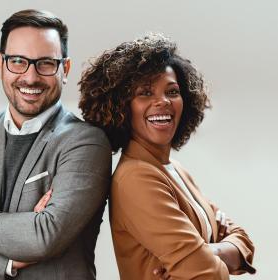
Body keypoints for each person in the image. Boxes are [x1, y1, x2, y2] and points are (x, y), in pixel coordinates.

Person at [0, 9, 111, 280]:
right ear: (0, 64)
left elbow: (43, 236)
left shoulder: (87, 142)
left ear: (65, 69)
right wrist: (2, 265)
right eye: (18, 61)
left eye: (46, 63)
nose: (30, 77)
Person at [79, 33, 256, 279]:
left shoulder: (174, 168)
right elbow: (208, 274)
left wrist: (208, 251)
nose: (162, 102)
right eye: (145, 93)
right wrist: (215, 254)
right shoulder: (136, 177)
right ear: (121, 106)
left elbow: (243, 240)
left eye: (172, 92)